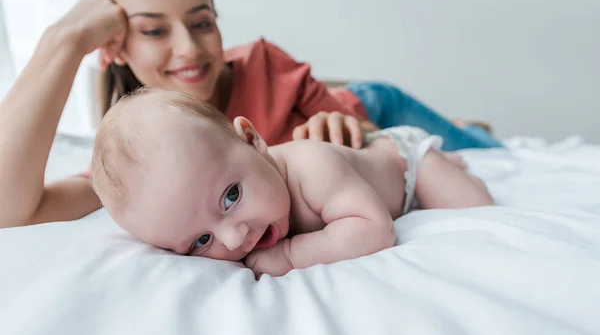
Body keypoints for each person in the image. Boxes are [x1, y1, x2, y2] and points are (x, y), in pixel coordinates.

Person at [0, 0, 499, 229]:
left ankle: (473, 127)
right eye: (153, 31)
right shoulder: (141, 162)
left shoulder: (259, 61)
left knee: (480, 150)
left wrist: (350, 131)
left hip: (374, 104)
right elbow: (9, 209)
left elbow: (378, 146)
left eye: (201, 22)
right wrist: (63, 41)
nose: (189, 48)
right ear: (116, 47)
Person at [91, 88, 494, 278]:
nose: (234, 239)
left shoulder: (313, 168)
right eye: (200, 242)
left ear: (253, 140)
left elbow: (375, 229)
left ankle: (450, 152)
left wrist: (289, 256)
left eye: (231, 197)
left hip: (405, 164)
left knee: (476, 206)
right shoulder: (239, 218)